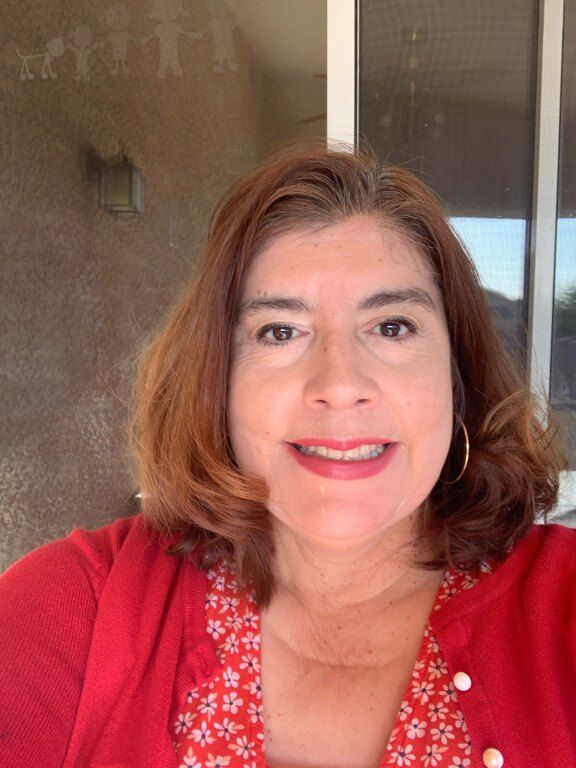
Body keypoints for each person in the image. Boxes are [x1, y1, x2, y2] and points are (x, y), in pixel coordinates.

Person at [0, 144, 573, 768]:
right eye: (280, 331)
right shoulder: (68, 614)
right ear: (216, 381)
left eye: (391, 326)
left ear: (457, 376)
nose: (339, 382)